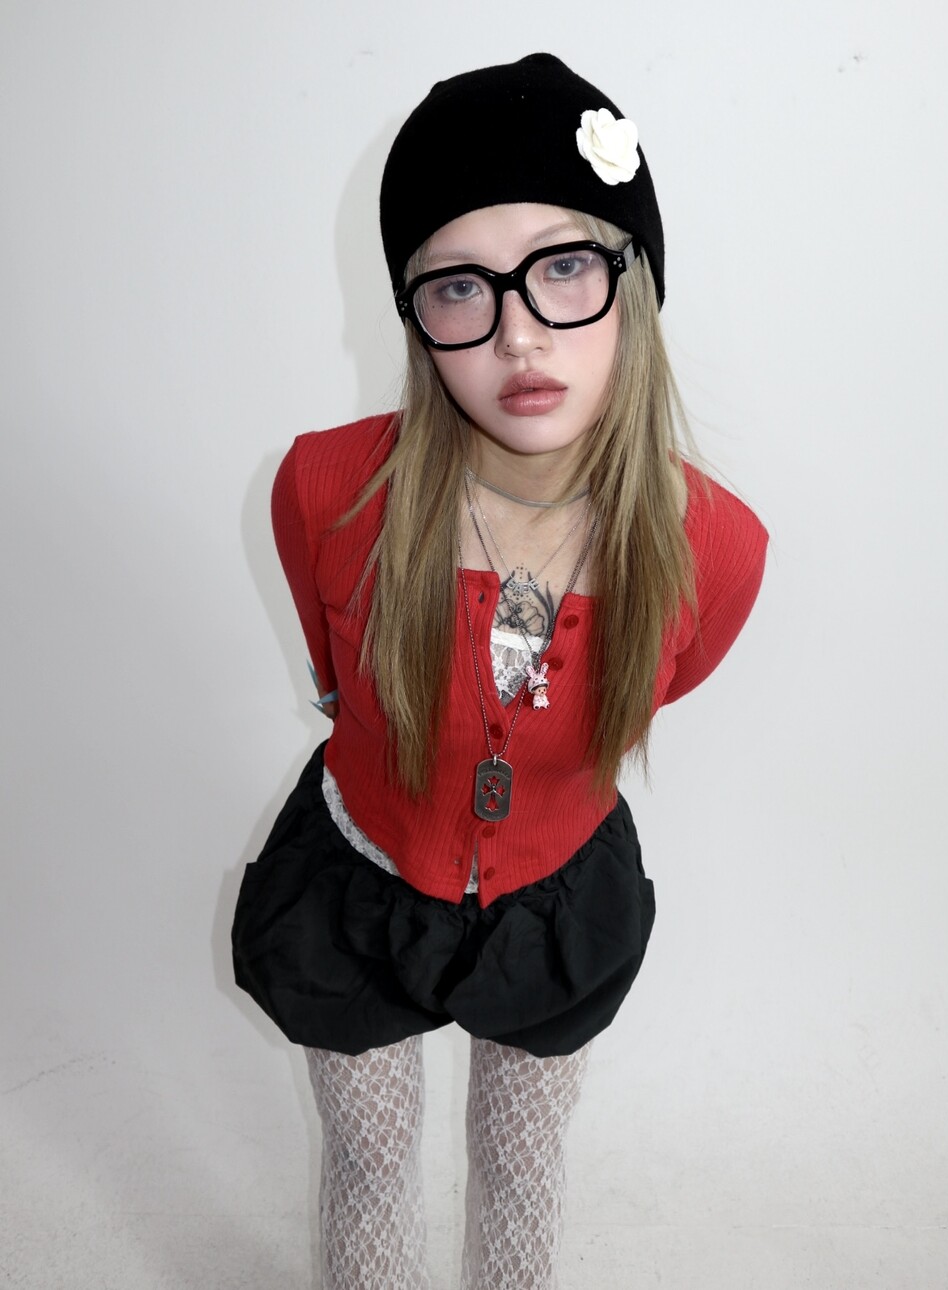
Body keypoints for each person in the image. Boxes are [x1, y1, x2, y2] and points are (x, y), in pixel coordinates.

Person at [232, 52, 768, 1290]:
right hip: (359, 877)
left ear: (636, 282)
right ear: (414, 316)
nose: (518, 333)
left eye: (563, 266)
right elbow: (336, 671)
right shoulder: (324, 490)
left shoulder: (714, 546)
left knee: (523, 1165)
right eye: (460, 286)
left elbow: (656, 685)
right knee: (367, 1160)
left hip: (553, 897)